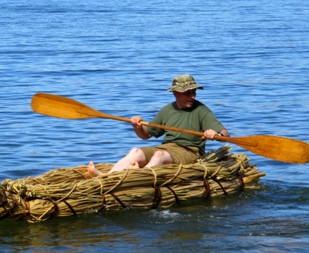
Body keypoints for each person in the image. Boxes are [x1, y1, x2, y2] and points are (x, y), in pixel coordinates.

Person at [87, 74, 229, 177]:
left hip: (190, 152)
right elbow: (147, 134)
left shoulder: (201, 110)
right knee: (135, 151)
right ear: (175, 93)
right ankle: (106, 177)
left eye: (193, 92)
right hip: (167, 147)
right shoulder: (167, 110)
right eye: (188, 93)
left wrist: (217, 135)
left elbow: (225, 134)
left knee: (159, 156)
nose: (192, 97)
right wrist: (137, 126)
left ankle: (136, 178)